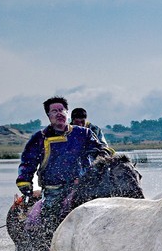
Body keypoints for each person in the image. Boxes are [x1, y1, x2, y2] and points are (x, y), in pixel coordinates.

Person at [16, 97, 113, 241]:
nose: (59, 113)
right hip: (54, 189)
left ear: (67, 113)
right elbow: (27, 162)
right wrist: (24, 181)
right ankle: (51, 246)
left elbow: (101, 149)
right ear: (48, 116)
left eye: (61, 110)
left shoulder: (84, 134)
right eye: (54, 111)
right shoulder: (39, 138)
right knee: (50, 218)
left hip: (83, 186)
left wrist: (103, 154)